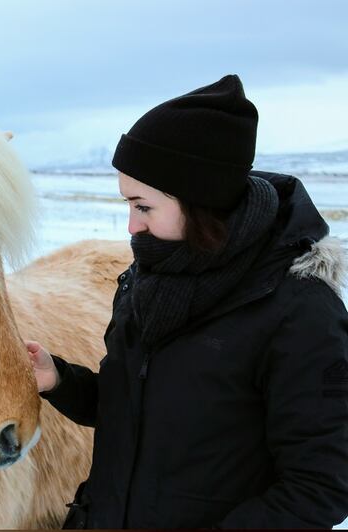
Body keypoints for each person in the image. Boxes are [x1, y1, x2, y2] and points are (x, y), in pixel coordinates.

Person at [27, 74, 348, 529]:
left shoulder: (299, 313)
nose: (131, 227)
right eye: (127, 205)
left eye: (143, 206)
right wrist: (59, 380)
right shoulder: (148, 283)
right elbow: (134, 408)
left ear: (199, 201)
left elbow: (320, 486)